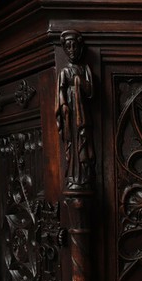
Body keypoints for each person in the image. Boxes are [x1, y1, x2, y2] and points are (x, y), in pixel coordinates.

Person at [56, 30, 95, 190]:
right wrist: (64, 105)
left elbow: (91, 91)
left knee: (83, 140)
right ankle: (73, 176)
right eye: (68, 47)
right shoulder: (64, 71)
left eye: (74, 46)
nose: (72, 50)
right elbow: (60, 91)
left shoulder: (85, 69)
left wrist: (79, 82)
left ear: (80, 47)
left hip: (83, 113)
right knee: (73, 143)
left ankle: (84, 175)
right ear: (64, 49)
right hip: (71, 116)